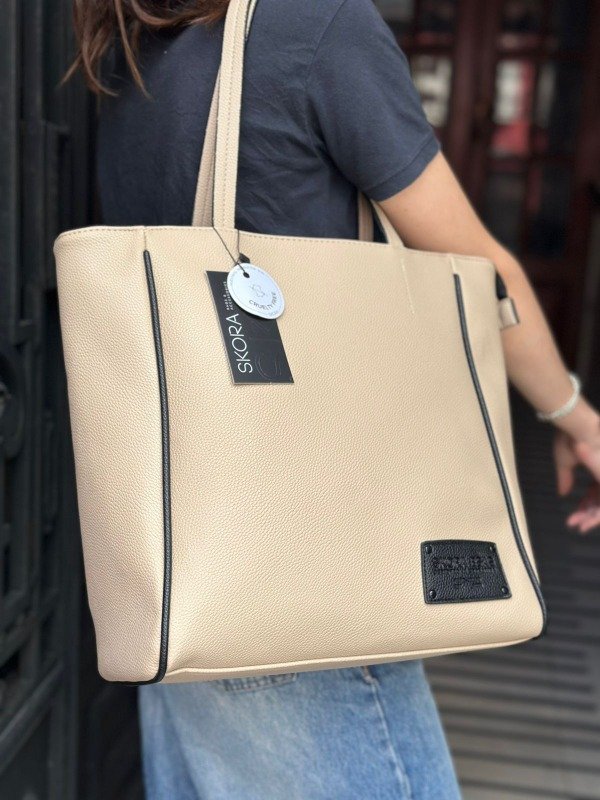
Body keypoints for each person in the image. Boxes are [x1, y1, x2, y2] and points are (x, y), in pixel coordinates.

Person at [68, 0, 600, 797]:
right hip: (308, 575)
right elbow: (481, 272)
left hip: (180, 572)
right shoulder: (314, 26)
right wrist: (574, 416)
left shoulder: (127, 47)